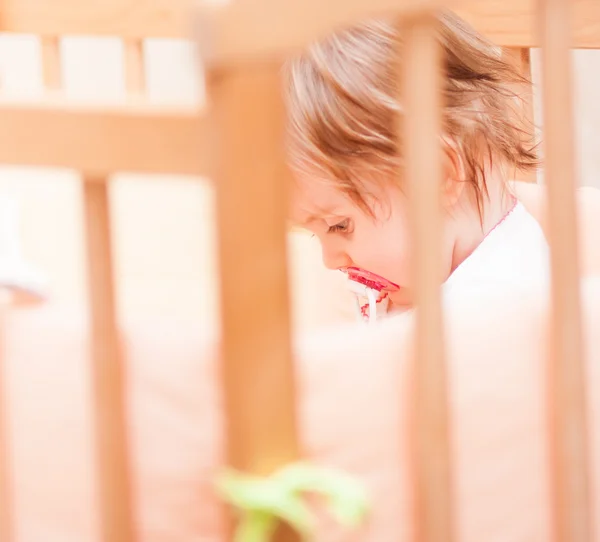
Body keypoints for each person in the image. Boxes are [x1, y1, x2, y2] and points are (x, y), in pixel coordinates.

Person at [285, 11, 550, 320]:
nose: (330, 261)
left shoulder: (499, 308)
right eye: (318, 234)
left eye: (339, 225)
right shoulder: (423, 276)